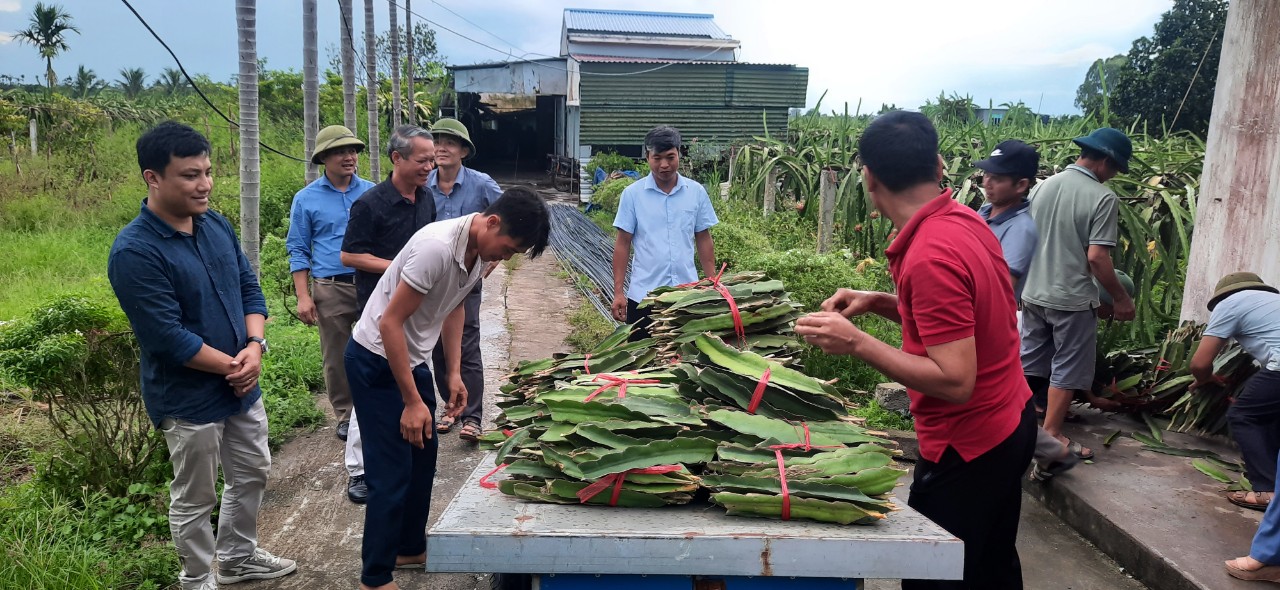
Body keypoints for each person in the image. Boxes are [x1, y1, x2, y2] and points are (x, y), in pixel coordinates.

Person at [796, 111, 1034, 589]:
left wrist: (856, 342)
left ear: (868, 177)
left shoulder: (930, 254)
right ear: (940, 166)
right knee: (989, 568)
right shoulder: (966, 220)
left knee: (938, 577)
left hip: (970, 444)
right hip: (1009, 421)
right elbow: (971, 322)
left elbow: (955, 380)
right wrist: (881, 302)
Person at [107, 122, 297, 590]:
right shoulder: (135, 251)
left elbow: (249, 288)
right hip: (188, 396)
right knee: (196, 494)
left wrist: (255, 348)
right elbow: (166, 337)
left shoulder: (215, 224)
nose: (205, 184)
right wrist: (235, 366)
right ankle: (196, 578)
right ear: (153, 178)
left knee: (252, 471)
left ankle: (236, 558)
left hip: (241, 384)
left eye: (208, 172)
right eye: (191, 175)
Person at [346, 186, 550, 590]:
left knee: (422, 461)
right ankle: (375, 576)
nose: (503, 257)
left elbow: (454, 305)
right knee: (391, 472)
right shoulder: (437, 248)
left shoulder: (476, 252)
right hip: (375, 359)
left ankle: (408, 548)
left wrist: (453, 374)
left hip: (412, 357)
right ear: (492, 222)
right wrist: (410, 400)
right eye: (507, 248)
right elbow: (389, 323)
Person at [1020, 127, 1137, 462]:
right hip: (1071, 298)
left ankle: (1016, 428)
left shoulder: (1041, 187)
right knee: (1067, 368)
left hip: (1033, 292)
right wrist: (1121, 298)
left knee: (1030, 364)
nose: (1112, 176)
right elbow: (1097, 257)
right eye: (1114, 169)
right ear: (1103, 160)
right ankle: (1053, 434)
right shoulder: (1101, 197)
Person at [337, 124, 436, 503]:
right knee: (374, 388)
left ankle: (408, 456)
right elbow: (349, 255)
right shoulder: (370, 204)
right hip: (379, 313)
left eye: (431, 160)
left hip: (415, 310)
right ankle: (359, 470)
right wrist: (398, 268)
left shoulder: (425, 199)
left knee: (408, 386)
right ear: (397, 158)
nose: (428, 167)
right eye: (421, 160)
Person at [285, 125, 375, 446]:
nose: (349, 156)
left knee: (377, 347)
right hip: (330, 286)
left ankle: (376, 405)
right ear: (323, 158)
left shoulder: (372, 192)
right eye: (340, 151)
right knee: (335, 355)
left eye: (352, 150)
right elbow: (298, 248)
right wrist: (303, 296)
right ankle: (346, 413)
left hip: (370, 284)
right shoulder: (306, 199)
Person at [425, 118, 502, 442]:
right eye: (437, 142)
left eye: (450, 143)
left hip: (465, 280)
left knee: (467, 343)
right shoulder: (423, 183)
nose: (442, 148)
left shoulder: (481, 185)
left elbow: (506, 219)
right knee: (437, 348)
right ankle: (450, 406)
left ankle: (472, 416)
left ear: (464, 151)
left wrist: (493, 258)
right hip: (429, 282)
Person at [611, 125, 719, 341]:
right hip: (644, 298)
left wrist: (712, 284)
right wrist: (618, 292)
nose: (664, 165)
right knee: (641, 362)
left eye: (670, 157)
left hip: (686, 296)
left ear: (679, 153)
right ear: (647, 157)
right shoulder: (632, 195)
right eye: (657, 157)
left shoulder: (695, 192)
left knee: (684, 361)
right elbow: (623, 244)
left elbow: (703, 239)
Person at [1190, 272, 1280, 511]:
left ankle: (1267, 492)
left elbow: (1199, 363)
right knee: (1270, 416)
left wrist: (1204, 378)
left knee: (1243, 415)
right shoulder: (1270, 304)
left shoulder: (1229, 304)